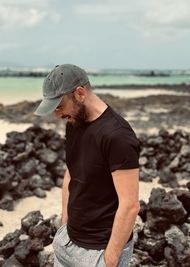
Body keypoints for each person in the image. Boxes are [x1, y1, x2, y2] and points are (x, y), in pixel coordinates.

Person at [34, 64, 140, 267]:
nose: (57, 115)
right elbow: (71, 173)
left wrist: (110, 259)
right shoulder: (74, 122)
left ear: (80, 94)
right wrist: (64, 223)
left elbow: (130, 205)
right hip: (68, 241)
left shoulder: (118, 136)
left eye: (59, 106)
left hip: (99, 252)